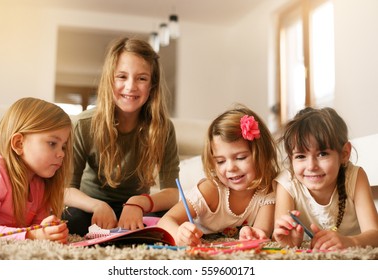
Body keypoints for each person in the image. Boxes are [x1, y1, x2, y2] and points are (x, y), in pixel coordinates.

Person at [63, 37, 180, 236]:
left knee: (173, 217)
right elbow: (65, 189)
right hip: (91, 207)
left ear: (152, 85)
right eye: (122, 77)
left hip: (137, 209)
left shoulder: (163, 128)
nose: (131, 86)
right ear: (110, 79)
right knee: (71, 220)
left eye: (142, 78)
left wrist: (139, 202)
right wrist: (97, 206)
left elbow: (173, 192)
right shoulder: (83, 125)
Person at [157, 104, 279, 246]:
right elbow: (164, 221)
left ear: (261, 154)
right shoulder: (210, 190)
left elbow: (261, 232)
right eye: (220, 161)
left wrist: (251, 234)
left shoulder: (267, 190)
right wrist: (179, 234)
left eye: (240, 158)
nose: (230, 168)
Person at [273, 107, 378, 250]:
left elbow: (374, 234)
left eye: (322, 154)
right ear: (291, 159)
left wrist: (351, 242)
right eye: (300, 156)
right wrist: (288, 241)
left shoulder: (355, 176)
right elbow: (279, 234)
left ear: (344, 153)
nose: (311, 166)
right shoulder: (287, 183)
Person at [0, 97, 72, 243]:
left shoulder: (40, 184)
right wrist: (32, 235)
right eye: (52, 143)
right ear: (19, 143)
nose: (62, 153)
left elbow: (36, 228)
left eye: (63, 146)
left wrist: (48, 230)